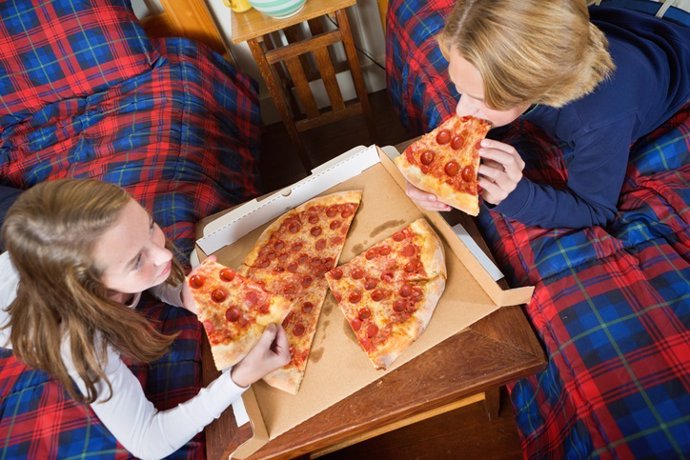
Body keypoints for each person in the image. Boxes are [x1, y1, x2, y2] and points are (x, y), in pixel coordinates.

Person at [0, 178, 290, 459]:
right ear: (91, 288)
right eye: (137, 260)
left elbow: (136, 261)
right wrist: (239, 378)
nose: (164, 256)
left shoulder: (111, 246)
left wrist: (181, 293)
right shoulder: (74, 341)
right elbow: (148, 442)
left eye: (150, 225)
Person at [406, 0, 690, 228]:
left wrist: (514, 196)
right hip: (628, 14)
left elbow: (595, 210)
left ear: (540, 89)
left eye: (482, 99)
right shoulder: (545, 41)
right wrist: (436, 168)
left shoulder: (599, 119)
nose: (461, 110)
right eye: (460, 88)